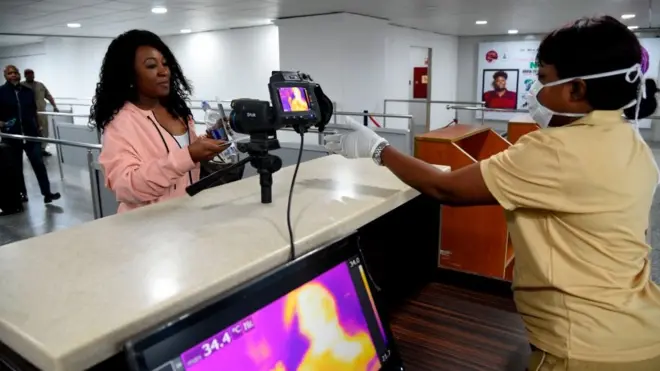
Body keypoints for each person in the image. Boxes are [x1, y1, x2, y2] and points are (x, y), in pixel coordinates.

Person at [325, 16, 660, 370]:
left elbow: (445, 188)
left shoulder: (556, 151)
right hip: (638, 326)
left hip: (583, 349)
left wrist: (378, 148)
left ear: (575, 90)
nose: (535, 90)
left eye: (543, 79)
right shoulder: (630, 140)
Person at [92, 30, 228, 213]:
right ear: (129, 75)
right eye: (151, 66)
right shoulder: (121, 123)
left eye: (165, 64)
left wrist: (206, 142)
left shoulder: (177, 110)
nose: (164, 71)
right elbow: (126, 186)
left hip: (187, 214)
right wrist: (190, 155)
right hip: (148, 227)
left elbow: (181, 151)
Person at [0, 65, 61, 204]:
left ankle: (47, 193)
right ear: (5, 76)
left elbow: (34, 110)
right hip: (12, 136)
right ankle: (22, 194)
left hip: (30, 133)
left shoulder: (27, 91)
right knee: (16, 167)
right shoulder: (1, 92)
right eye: (10, 73)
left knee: (39, 163)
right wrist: (2, 124)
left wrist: (38, 125)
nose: (13, 75)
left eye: (15, 72)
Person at [22, 69, 58, 156]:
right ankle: (32, 150)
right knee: (30, 132)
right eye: (29, 75)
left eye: (32, 74)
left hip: (41, 112)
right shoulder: (21, 86)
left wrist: (54, 106)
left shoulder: (40, 85)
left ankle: (42, 149)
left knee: (44, 131)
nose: (31, 76)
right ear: (25, 76)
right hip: (28, 114)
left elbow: (48, 95)